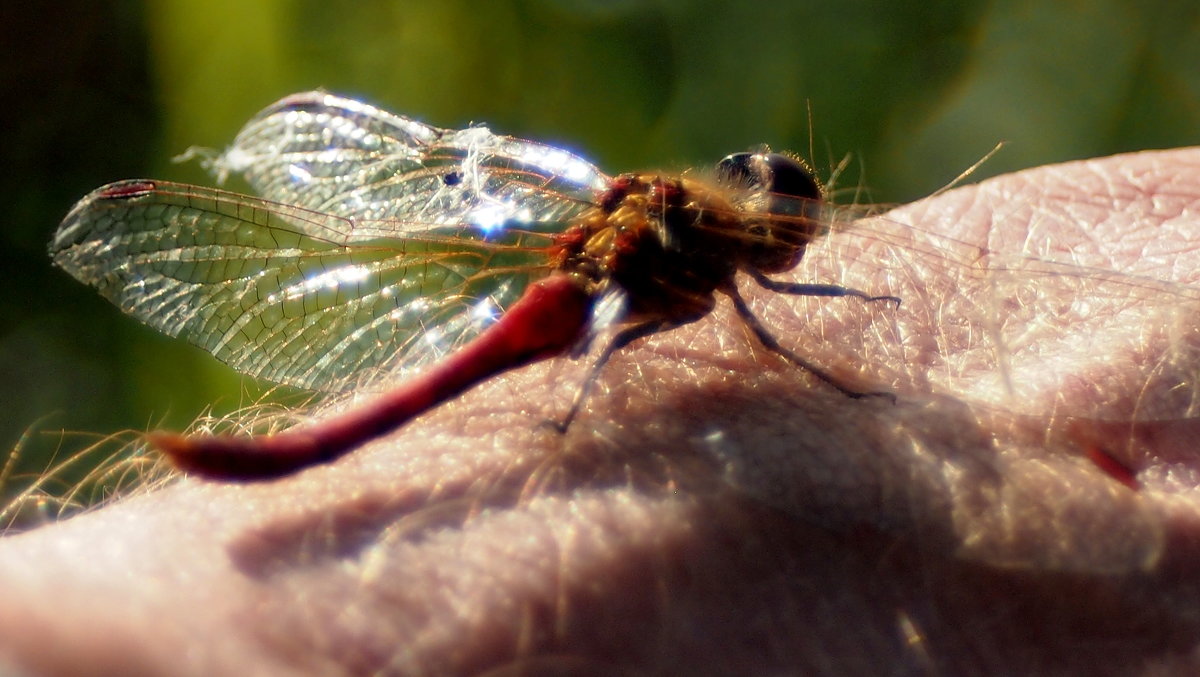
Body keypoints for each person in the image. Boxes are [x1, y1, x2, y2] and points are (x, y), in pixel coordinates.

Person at [2, 148, 1198, 676]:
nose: (780, 219)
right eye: (781, 212)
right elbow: (775, 320)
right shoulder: (714, 254)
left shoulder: (657, 224)